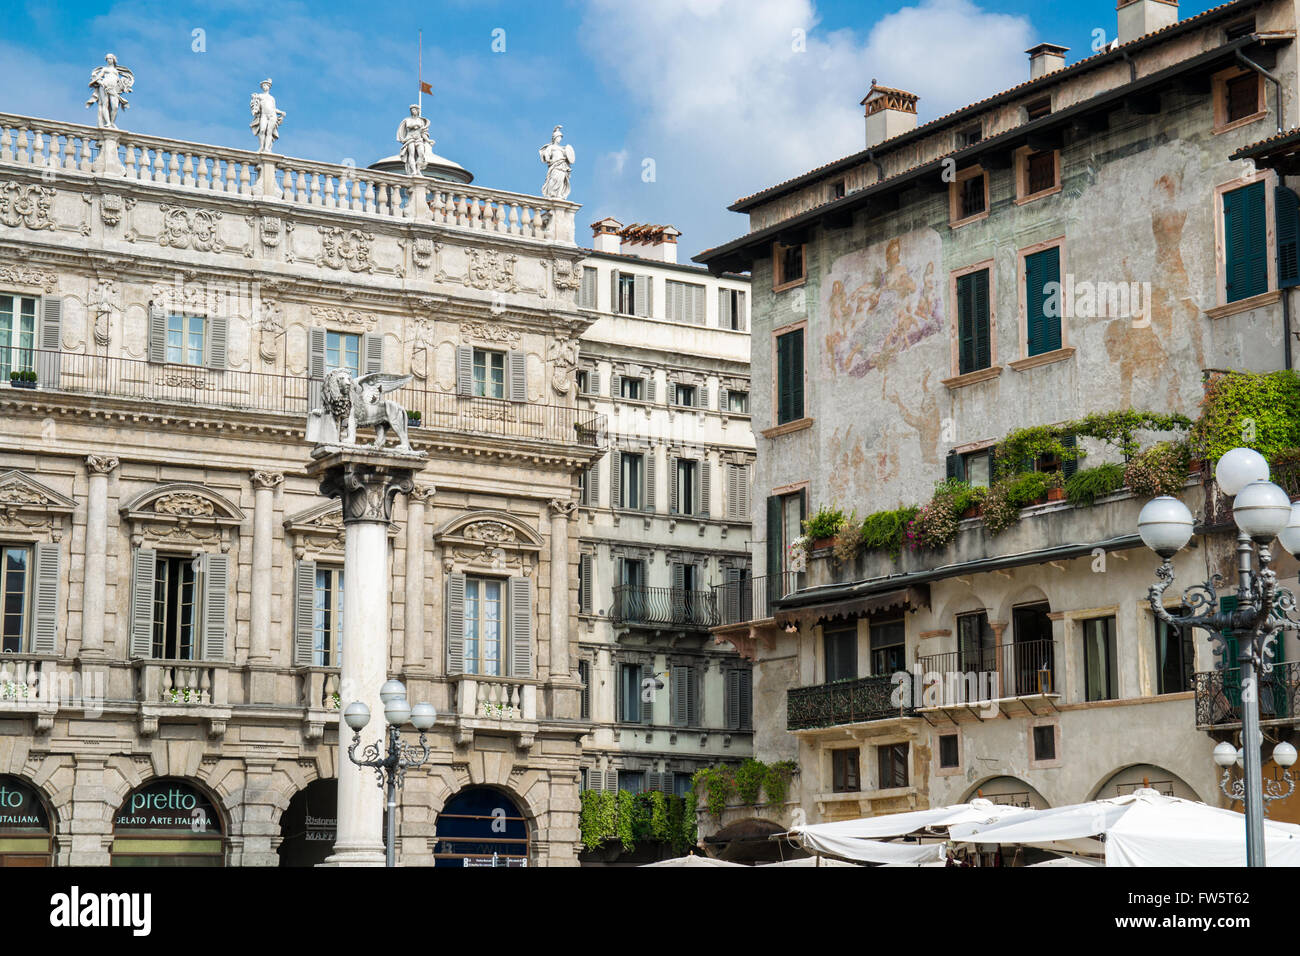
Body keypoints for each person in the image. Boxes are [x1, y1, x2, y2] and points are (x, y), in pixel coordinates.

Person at [86, 54, 134, 130]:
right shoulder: (105, 69)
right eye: (107, 59)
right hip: (104, 86)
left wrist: (125, 86)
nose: (109, 60)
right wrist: (100, 82)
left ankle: (112, 122)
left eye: (110, 58)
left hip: (113, 88)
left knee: (115, 106)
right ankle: (108, 123)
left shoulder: (116, 71)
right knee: (105, 104)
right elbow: (98, 77)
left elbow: (118, 81)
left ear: (113, 59)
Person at [539, 125, 575, 200]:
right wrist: (548, 159)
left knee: (561, 179)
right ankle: (552, 194)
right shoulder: (551, 147)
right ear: (555, 138)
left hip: (562, 165)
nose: (560, 139)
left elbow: (568, 156)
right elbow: (546, 154)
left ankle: (558, 194)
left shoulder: (562, 148)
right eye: (559, 137)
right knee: (554, 178)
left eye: (560, 138)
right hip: (554, 165)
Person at [249, 79, 286, 153]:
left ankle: (266, 148)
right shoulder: (260, 96)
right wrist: (254, 98)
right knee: (262, 130)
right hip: (263, 115)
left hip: (272, 115)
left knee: (269, 132)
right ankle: (262, 147)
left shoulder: (272, 98)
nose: (265, 87)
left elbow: (274, 108)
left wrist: (281, 112)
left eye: (266, 85)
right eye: (263, 86)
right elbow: (255, 104)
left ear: (269, 87)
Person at [397, 105, 434, 177]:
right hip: (410, 138)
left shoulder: (421, 121)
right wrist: (413, 127)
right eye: (412, 110)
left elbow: (422, 133)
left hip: (419, 139)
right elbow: (407, 128)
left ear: (417, 111)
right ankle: (413, 171)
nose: (413, 111)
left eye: (414, 110)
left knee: (421, 154)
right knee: (411, 154)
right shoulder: (407, 120)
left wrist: (428, 141)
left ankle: (418, 169)